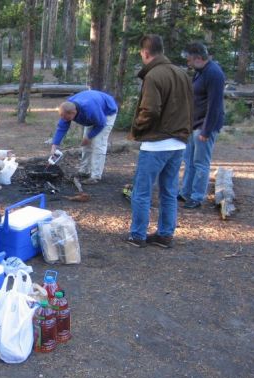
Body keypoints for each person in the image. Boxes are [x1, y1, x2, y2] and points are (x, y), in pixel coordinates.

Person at [126, 34, 193, 248]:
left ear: (146, 53)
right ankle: (165, 234)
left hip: (156, 144)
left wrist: (137, 127)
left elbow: (150, 110)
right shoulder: (182, 74)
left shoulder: (153, 76)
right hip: (178, 143)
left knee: (142, 192)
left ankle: (137, 235)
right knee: (169, 191)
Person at [179, 42, 225, 209]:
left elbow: (214, 106)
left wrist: (205, 131)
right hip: (193, 124)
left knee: (200, 163)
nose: (188, 63)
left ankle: (197, 197)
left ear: (198, 58)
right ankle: (186, 193)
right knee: (189, 160)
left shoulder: (214, 73)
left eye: (189, 59)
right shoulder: (200, 72)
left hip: (205, 126)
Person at [50, 90, 118, 184]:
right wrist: (54, 146)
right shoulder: (67, 108)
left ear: (73, 113)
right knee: (86, 144)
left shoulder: (90, 109)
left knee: (98, 143)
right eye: (63, 117)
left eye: (66, 118)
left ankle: (95, 176)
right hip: (93, 114)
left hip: (107, 112)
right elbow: (62, 127)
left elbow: (101, 124)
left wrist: (89, 137)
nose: (64, 119)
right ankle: (84, 170)